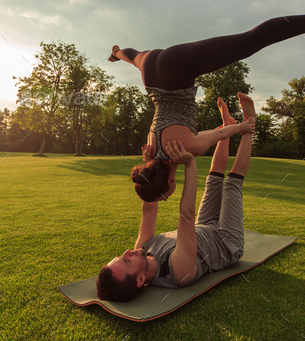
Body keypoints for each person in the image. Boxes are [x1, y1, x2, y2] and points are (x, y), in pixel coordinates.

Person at [110, 0, 305, 203]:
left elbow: (219, 134)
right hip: (150, 72)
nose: (169, 196)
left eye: (166, 196)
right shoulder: (152, 148)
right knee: (131, 54)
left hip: (176, 72)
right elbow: (210, 133)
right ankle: (116, 52)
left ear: (170, 182)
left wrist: (243, 127)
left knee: (249, 42)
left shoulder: (188, 150)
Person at [96, 93, 258, 302]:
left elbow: (149, 207)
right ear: (140, 279)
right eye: (126, 261)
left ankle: (228, 126)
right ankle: (249, 125)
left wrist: (150, 167)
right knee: (232, 184)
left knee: (214, 178)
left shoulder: (142, 249)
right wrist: (189, 163)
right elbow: (186, 214)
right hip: (226, 242)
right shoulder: (178, 272)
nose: (128, 251)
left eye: (121, 256)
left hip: (203, 226)